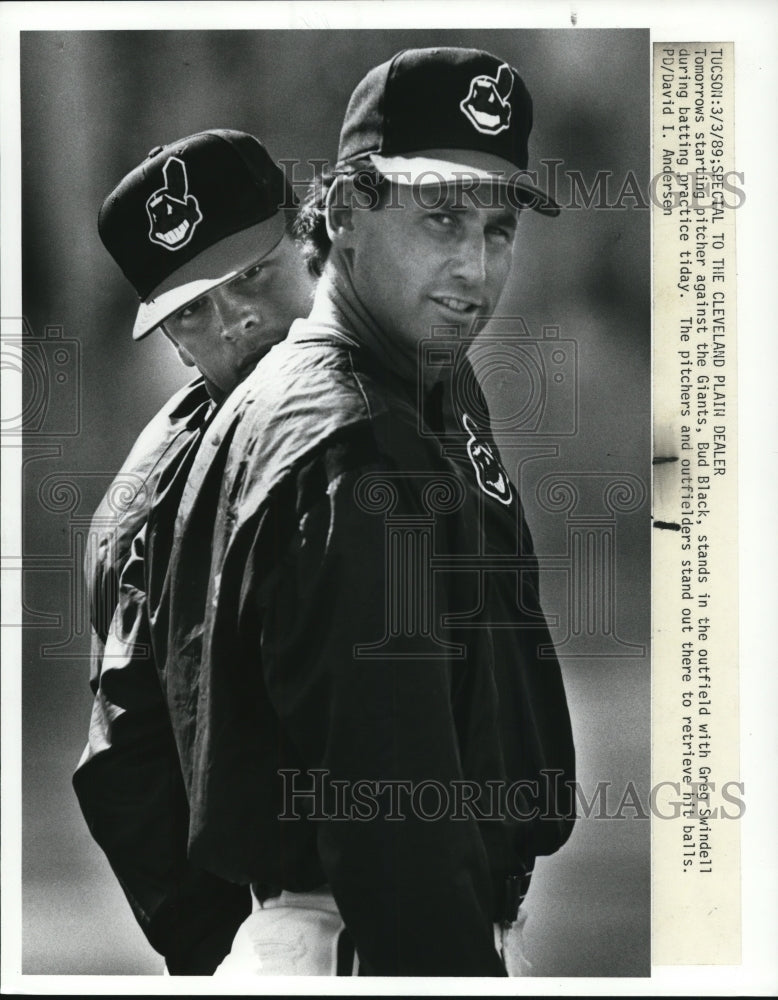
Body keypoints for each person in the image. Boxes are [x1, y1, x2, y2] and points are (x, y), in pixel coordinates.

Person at [141, 48, 576, 978]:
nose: (475, 266)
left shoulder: (405, 379)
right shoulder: (352, 441)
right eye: (442, 217)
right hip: (371, 942)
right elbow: (397, 822)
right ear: (343, 211)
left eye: (498, 228)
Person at [73, 129, 316, 974]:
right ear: (173, 342)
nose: (233, 320)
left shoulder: (389, 389)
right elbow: (125, 764)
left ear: (314, 243)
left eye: (252, 275)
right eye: (190, 310)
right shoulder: (153, 504)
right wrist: (229, 955)